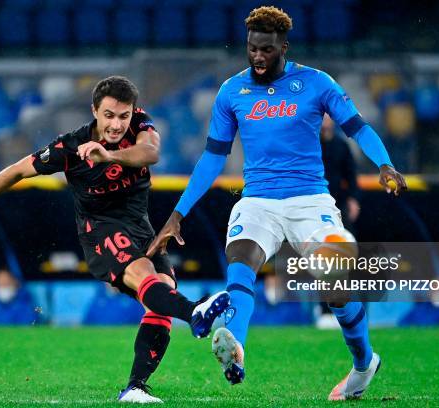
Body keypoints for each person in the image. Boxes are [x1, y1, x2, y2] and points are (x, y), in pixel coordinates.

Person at [147, 7, 407, 401]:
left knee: (336, 284)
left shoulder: (316, 83)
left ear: (283, 47)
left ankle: (363, 362)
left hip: (309, 201)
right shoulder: (232, 91)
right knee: (242, 258)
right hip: (258, 202)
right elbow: (213, 157)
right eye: (252, 48)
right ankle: (236, 349)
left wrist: (384, 163)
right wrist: (178, 213)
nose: (257, 57)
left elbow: (358, 127)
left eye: (266, 50)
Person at [0, 76, 230, 404]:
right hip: (100, 229)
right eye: (109, 115)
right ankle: (196, 311)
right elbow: (15, 171)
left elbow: (151, 152)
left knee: (160, 300)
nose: (116, 124)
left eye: (123, 116)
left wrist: (108, 156)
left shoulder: (140, 124)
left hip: (140, 227)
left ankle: (136, 387)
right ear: (94, 110)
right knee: (146, 276)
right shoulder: (69, 147)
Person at [316, 113, 361, 329]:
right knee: (320, 258)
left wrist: (353, 199)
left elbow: (352, 176)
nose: (325, 120)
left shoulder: (341, 145)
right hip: (314, 207)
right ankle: (324, 309)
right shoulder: (310, 143)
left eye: (327, 116)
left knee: (346, 257)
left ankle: (348, 308)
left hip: (338, 207)